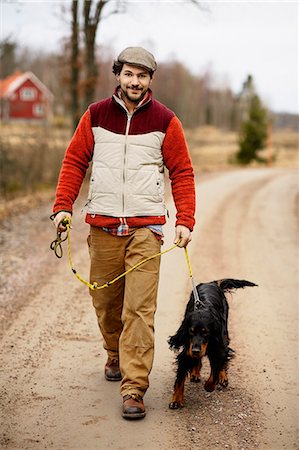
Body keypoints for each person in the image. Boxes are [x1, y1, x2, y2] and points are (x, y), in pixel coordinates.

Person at [52, 46, 196, 420]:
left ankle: (134, 388)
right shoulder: (95, 115)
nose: (135, 81)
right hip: (102, 226)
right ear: (118, 75)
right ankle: (113, 351)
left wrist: (185, 220)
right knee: (106, 303)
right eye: (129, 74)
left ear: (150, 80)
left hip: (145, 229)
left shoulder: (166, 120)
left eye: (142, 75)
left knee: (139, 310)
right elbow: (74, 160)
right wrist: (63, 207)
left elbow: (182, 171)